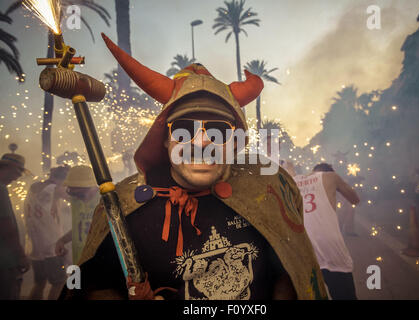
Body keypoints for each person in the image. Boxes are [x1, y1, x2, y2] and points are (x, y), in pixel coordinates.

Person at [61, 33, 328, 300]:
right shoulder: (123, 205)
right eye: (185, 128)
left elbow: (291, 274)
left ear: (235, 141)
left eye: (217, 131)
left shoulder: (268, 188)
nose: (201, 142)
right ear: (165, 139)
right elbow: (95, 285)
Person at [294, 163, 360, 300]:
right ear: (328, 171)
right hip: (330, 247)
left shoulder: (295, 179)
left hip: (304, 249)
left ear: (313, 171)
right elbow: (355, 199)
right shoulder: (331, 176)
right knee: (344, 295)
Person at [24, 166, 69, 300]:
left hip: (35, 246)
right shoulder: (54, 188)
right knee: (59, 282)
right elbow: (76, 197)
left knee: (39, 283)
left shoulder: (34, 187)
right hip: (51, 246)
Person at [0, 153, 30, 299]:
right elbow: (5, 226)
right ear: (7, 167)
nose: (18, 176)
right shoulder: (0, 189)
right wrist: (20, 255)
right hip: (5, 261)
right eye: (18, 171)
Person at [55, 166, 99, 265]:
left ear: (91, 187)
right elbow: (79, 228)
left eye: (80, 194)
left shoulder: (104, 200)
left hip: (101, 260)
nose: (75, 197)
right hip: (80, 261)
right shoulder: (75, 201)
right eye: (71, 192)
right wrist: (62, 241)